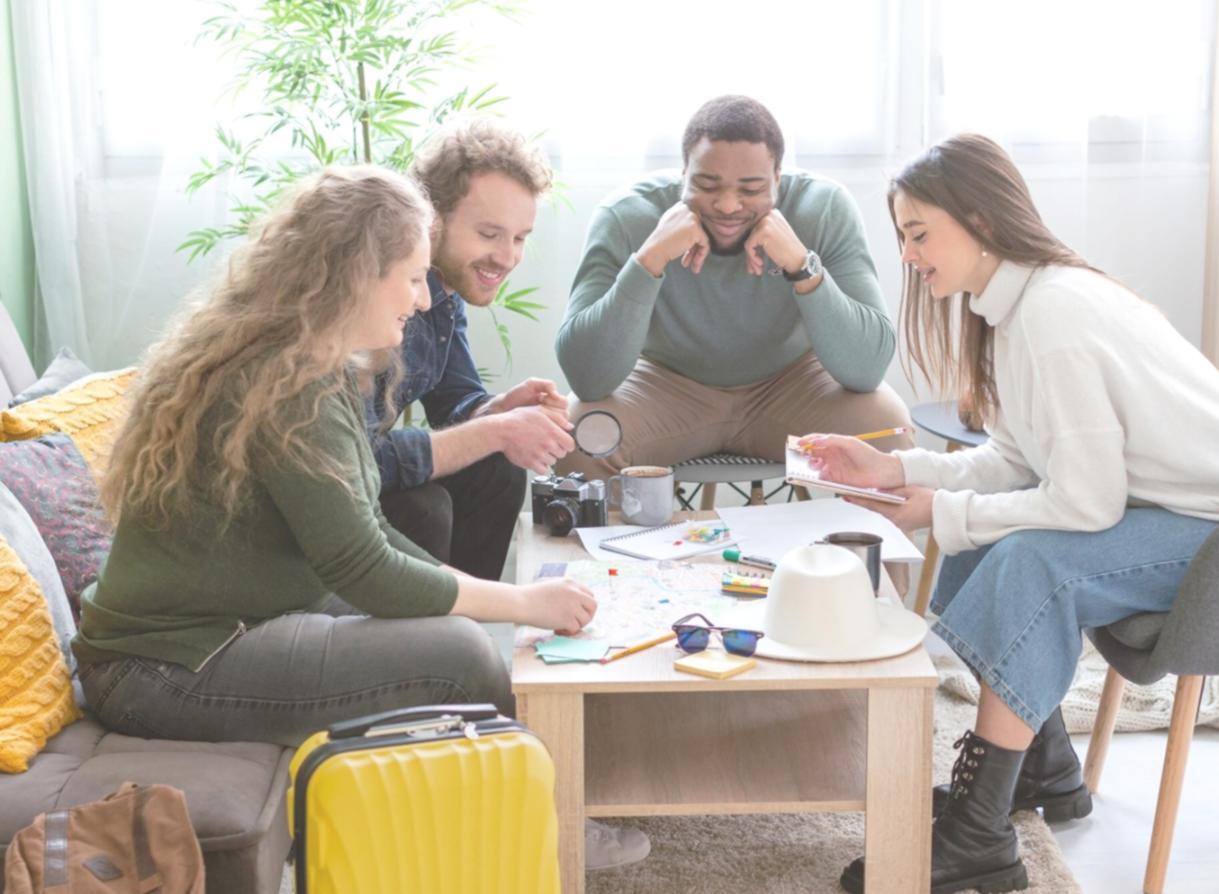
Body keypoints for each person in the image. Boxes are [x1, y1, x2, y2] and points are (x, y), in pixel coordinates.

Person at [71, 166, 650, 870]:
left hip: (220, 626)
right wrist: (522, 603)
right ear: (354, 275)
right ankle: (547, 832)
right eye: (412, 277)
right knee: (463, 655)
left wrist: (490, 598)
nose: (424, 296)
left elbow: (366, 527)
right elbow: (365, 569)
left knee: (453, 625)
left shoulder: (309, 363)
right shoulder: (290, 388)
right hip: (164, 667)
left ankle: (477, 820)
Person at [801, 134, 1219, 894]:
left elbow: (1085, 502)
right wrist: (897, 469)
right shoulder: (1019, 308)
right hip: (1202, 519)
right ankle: (1041, 766)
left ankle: (979, 836)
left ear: (979, 220)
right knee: (984, 538)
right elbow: (1015, 462)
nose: (907, 256)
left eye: (918, 234)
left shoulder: (1054, 316)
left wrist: (942, 509)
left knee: (1029, 557)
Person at [554, 95, 914, 481]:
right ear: (684, 173)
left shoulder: (823, 208)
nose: (727, 206)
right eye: (707, 185)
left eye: (751, 189)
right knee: (581, 438)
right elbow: (587, 377)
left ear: (778, 178)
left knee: (888, 433)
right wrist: (649, 259)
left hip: (790, 386)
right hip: (668, 385)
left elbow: (867, 369)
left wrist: (801, 266)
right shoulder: (626, 215)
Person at [369, 118, 574, 580]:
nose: (507, 257)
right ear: (431, 220)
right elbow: (351, 460)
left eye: (519, 238)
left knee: (498, 467)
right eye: (489, 234)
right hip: (319, 494)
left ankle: (471, 619)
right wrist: (498, 429)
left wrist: (500, 410)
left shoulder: (442, 292)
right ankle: (441, 621)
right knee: (424, 509)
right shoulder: (375, 297)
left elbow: (454, 405)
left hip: (362, 471)